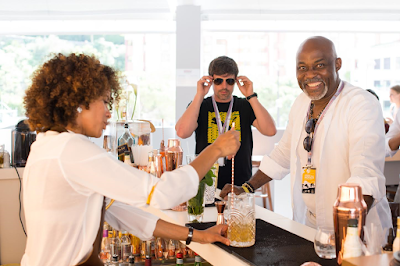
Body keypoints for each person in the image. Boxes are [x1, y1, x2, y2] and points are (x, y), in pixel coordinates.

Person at [21, 53, 240, 266]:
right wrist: (215, 150)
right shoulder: (71, 150)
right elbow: (164, 193)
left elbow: (120, 213)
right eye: (105, 102)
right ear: (79, 102)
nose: (109, 113)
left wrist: (196, 235)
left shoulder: (48, 145)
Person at [221, 36, 391, 233]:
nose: (310, 75)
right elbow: (283, 154)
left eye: (319, 65)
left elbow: (365, 172)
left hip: (355, 228)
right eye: (302, 68)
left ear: (337, 64)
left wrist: (349, 235)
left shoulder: (361, 104)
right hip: (311, 224)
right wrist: (246, 188)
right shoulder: (302, 102)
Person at [175, 56, 276, 189]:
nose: (224, 86)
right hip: (207, 182)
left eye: (229, 81)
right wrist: (199, 95)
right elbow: (182, 132)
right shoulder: (200, 105)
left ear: (235, 81)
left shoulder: (245, 105)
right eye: (218, 81)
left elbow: (270, 130)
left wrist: (251, 96)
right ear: (211, 81)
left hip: (239, 183)